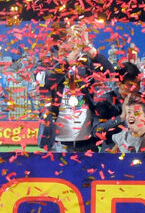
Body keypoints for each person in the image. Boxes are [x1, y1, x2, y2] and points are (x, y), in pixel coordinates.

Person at [36, 23, 113, 152]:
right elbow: (48, 80)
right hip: (58, 143)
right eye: (73, 37)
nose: (77, 40)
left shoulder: (85, 63)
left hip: (88, 141)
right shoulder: (45, 64)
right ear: (60, 43)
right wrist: (73, 55)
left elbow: (110, 73)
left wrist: (88, 46)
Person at [92, 61, 142, 151]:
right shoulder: (105, 101)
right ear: (119, 84)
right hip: (112, 153)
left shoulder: (143, 100)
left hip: (138, 153)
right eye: (131, 85)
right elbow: (96, 131)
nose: (136, 88)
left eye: (138, 83)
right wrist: (121, 117)